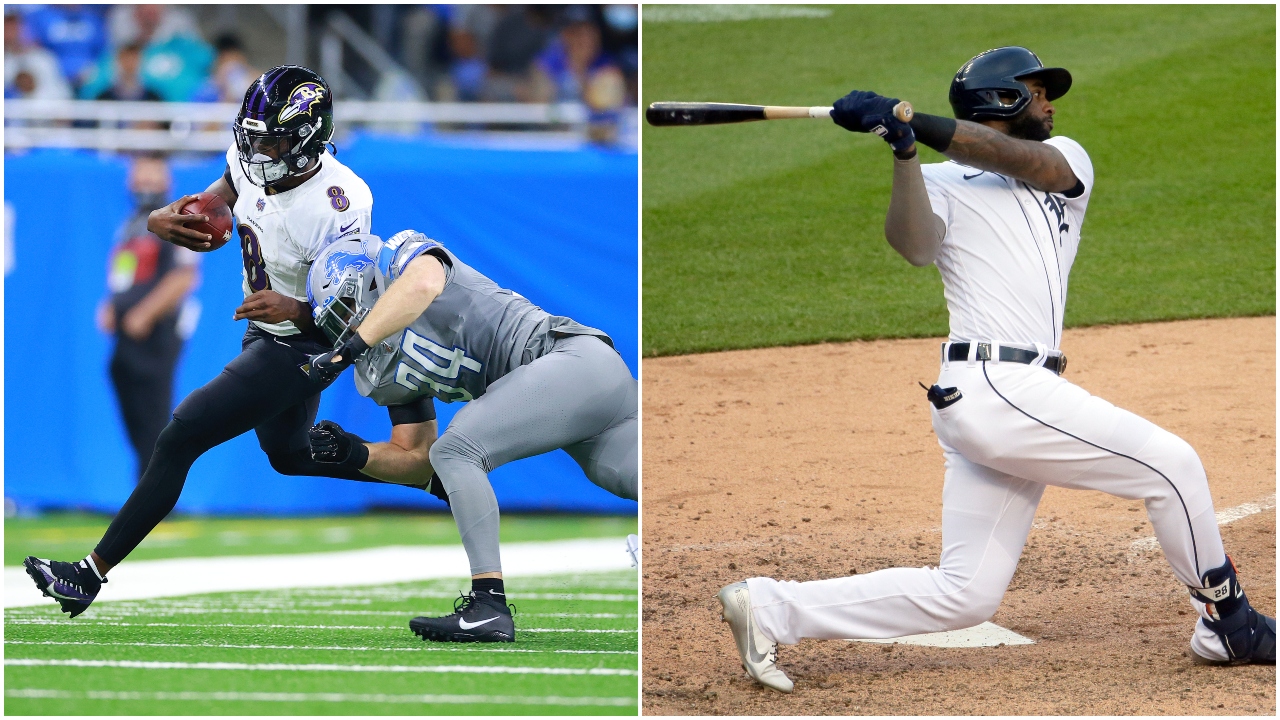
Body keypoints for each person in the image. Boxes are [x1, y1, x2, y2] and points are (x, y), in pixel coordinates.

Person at [717, 46, 1275, 693]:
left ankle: (769, 607)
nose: (1051, 103)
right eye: (1038, 92)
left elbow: (1019, 159)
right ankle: (1228, 624)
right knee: (1172, 467)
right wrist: (903, 152)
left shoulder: (1065, 164)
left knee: (966, 594)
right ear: (1003, 99)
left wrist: (913, 121)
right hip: (998, 390)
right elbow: (915, 247)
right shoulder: (940, 183)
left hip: (1005, 398)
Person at [22, 66, 385, 619]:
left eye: (274, 140)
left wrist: (297, 307)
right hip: (264, 332)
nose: (258, 150)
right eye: (253, 136)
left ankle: (88, 574)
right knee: (287, 455)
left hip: (305, 343)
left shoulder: (341, 200)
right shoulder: (248, 161)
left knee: (180, 435)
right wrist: (169, 218)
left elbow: (349, 313)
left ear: (309, 139)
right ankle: (415, 467)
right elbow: (215, 201)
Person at [303, 229, 638, 642]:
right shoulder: (379, 368)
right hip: (586, 388)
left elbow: (423, 283)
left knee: (459, 449)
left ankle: (489, 604)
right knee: (633, 480)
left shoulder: (406, 259)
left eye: (347, 307)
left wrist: (349, 349)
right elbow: (417, 457)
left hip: (569, 358)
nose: (346, 323)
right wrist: (354, 452)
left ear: (371, 284)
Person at [98, 155, 200, 481]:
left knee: (154, 412)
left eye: (151, 175)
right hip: (126, 334)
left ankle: (158, 491)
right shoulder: (131, 223)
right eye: (139, 176)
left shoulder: (176, 220)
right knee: (132, 408)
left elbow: (184, 277)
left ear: (167, 181)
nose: (143, 184)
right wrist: (112, 305)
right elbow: (123, 273)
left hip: (157, 332)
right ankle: (146, 484)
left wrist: (145, 312)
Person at [3, 10, 73, 102]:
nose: (9, 32)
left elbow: (61, 102)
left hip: (38, 114)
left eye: (13, 26)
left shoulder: (43, 59)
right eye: (5, 27)